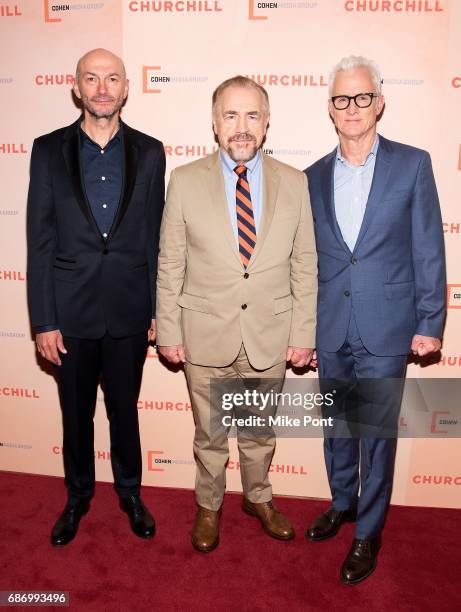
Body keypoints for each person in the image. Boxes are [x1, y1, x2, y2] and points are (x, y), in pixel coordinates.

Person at [156, 75, 317, 553]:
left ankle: (258, 498)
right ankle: (209, 505)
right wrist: (168, 329)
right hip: (204, 331)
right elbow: (171, 262)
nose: (241, 127)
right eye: (231, 115)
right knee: (210, 433)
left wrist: (303, 332)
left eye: (252, 115)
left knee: (259, 429)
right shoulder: (184, 180)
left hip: (270, 330)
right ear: (214, 122)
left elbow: (305, 263)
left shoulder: (294, 181)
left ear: (267, 123)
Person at [305, 55, 446, 584]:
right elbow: (307, 262)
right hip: (331, 323)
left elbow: (428, 248)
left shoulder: (412, 164)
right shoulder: (311, 177)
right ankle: (342, 503)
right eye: (342, 99)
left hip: (388, 325)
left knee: (375, 434)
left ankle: (368, 531)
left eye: (362, 96)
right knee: (337, 428)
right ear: (331, 109)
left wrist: (431, 321)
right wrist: (304, 329)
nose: (353, 107)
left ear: (379, 102)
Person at [27, 48, 165, 546]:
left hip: (130, 310)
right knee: (75, 414)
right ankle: (78, 496)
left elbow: (155, 239)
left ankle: (130, 493)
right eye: (92, 78)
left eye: (112, 79)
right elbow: (39, 240)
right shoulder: (47, 150)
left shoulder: (150, 152)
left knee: (124, 410)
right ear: (76, 86)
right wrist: (44, 320)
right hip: (71, 312)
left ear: (126, 88)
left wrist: (157, 311)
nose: (102, 88)